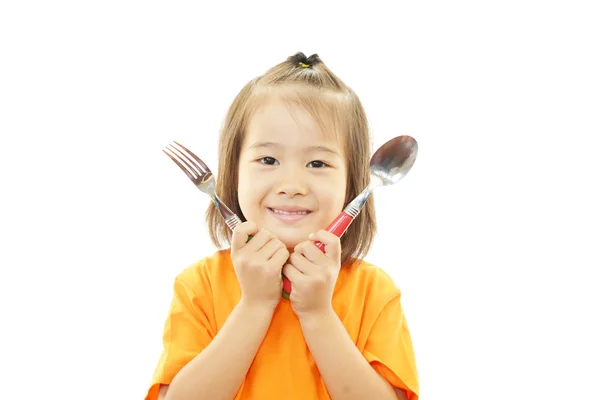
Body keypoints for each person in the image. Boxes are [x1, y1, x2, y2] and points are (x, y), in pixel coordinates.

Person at [145, 52, 419, 400]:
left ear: (353, 184)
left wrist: (318, 314)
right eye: (268, 159)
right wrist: (255, 305)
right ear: (234, 172)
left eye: (317, 163)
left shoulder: (373, 291)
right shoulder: (200, 285)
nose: (292, 184)